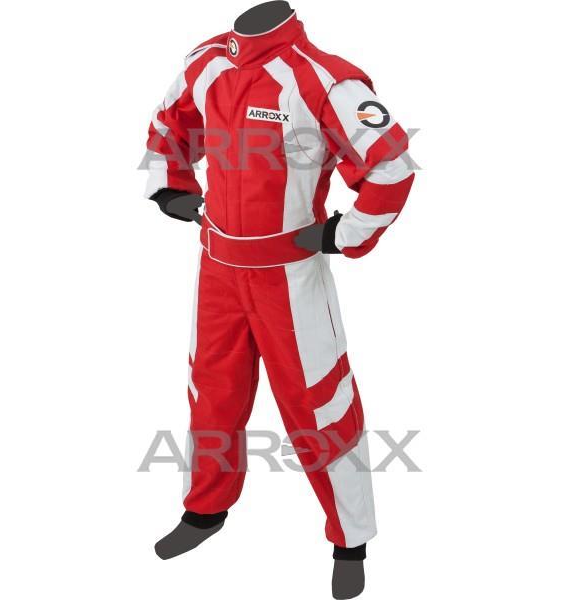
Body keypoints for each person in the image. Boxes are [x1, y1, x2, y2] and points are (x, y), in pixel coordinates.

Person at [145, 2, 414, 598]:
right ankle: (205, 510)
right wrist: (171, 187)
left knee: (322, 406)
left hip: (289, 278)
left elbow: (392, 165)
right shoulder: (207, 61)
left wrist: (343, 234)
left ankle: (350, 539)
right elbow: (169, 122)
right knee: (210, 394)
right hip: (216, 272)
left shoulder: (326, 78)